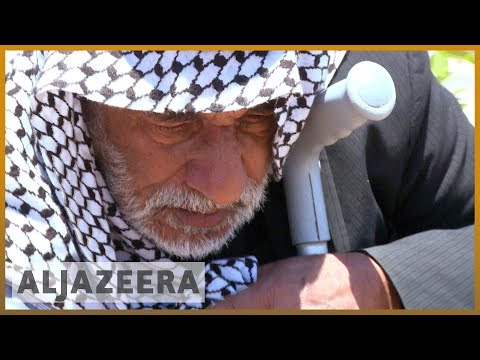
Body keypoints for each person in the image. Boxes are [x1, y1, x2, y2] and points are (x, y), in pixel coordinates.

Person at [5, 50, 474, 310]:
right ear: (77, 100)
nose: (225, 187)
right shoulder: (19, 175)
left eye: (259, 115)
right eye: (174, 121)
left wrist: (378, 283)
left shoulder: (363, 77)